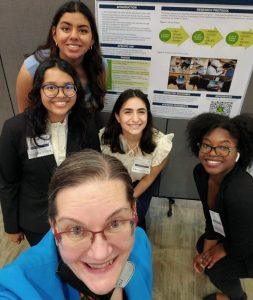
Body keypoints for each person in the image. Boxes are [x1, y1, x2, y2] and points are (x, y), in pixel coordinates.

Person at [0, 150, 152, 300]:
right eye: (76, 230)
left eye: (115, 223)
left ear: (133, 211)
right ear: (54, 226)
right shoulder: (16, 287)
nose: (100, 254)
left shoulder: (139, 240)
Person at [0, 58, 100, 246]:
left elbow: (96, 171)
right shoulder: (15, 129)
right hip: (38, 220)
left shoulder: (86, 123)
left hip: (80, 217)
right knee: (47, 267)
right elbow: (8, 182)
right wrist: (11, 226)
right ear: (39, 90)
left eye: (68, 87)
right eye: (51, 87)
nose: (61, 94)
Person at [186, 112, 253, 300]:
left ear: (238, 153)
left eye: (224, 148)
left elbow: (243, 246)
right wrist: (207, 250)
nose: (212, 153)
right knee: (203, 247)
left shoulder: (240, 194)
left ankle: (238, 298)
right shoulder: (201, 173)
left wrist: (213, 255)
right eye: (207, 145)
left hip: (249, 247)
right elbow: (212, 217)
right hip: (237, 236)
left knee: (214, 268)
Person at [100, 89, 174, 229]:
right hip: (113, 182)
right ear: (117, 116)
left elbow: (148, 179)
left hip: (142, 182)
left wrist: (129, 200)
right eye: (128, 112)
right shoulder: (105, 138)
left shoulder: (161, 144)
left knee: (133, 219)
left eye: (141, 111)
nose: (135, 119)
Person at [16, 0, 107, 113]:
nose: (74, 36)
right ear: (54, 33)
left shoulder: (99, 65)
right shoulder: (32, 68)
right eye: (65, 29)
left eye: (82, 30)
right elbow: (24, 118)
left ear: (92, 38)